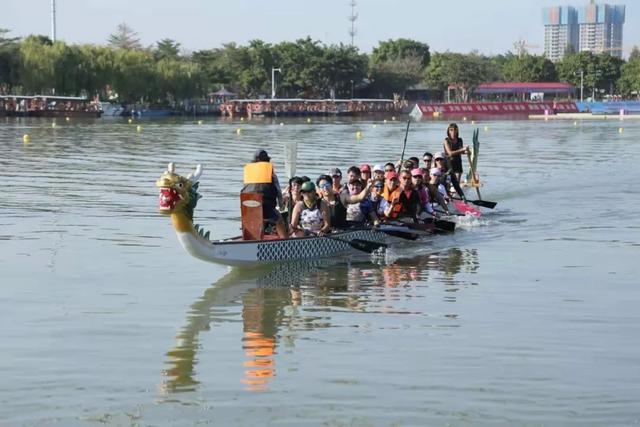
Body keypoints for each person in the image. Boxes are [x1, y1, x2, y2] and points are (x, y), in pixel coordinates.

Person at [241, 149, 287, 238]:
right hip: (265, 204)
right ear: (267, 160)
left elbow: (245, 188)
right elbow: (278, 190)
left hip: (247, 205)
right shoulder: (270, 173)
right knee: (279, 219)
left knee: (257, 219)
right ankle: (286, 242)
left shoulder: (248, 172)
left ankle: (250, 238)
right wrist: (281, 205)